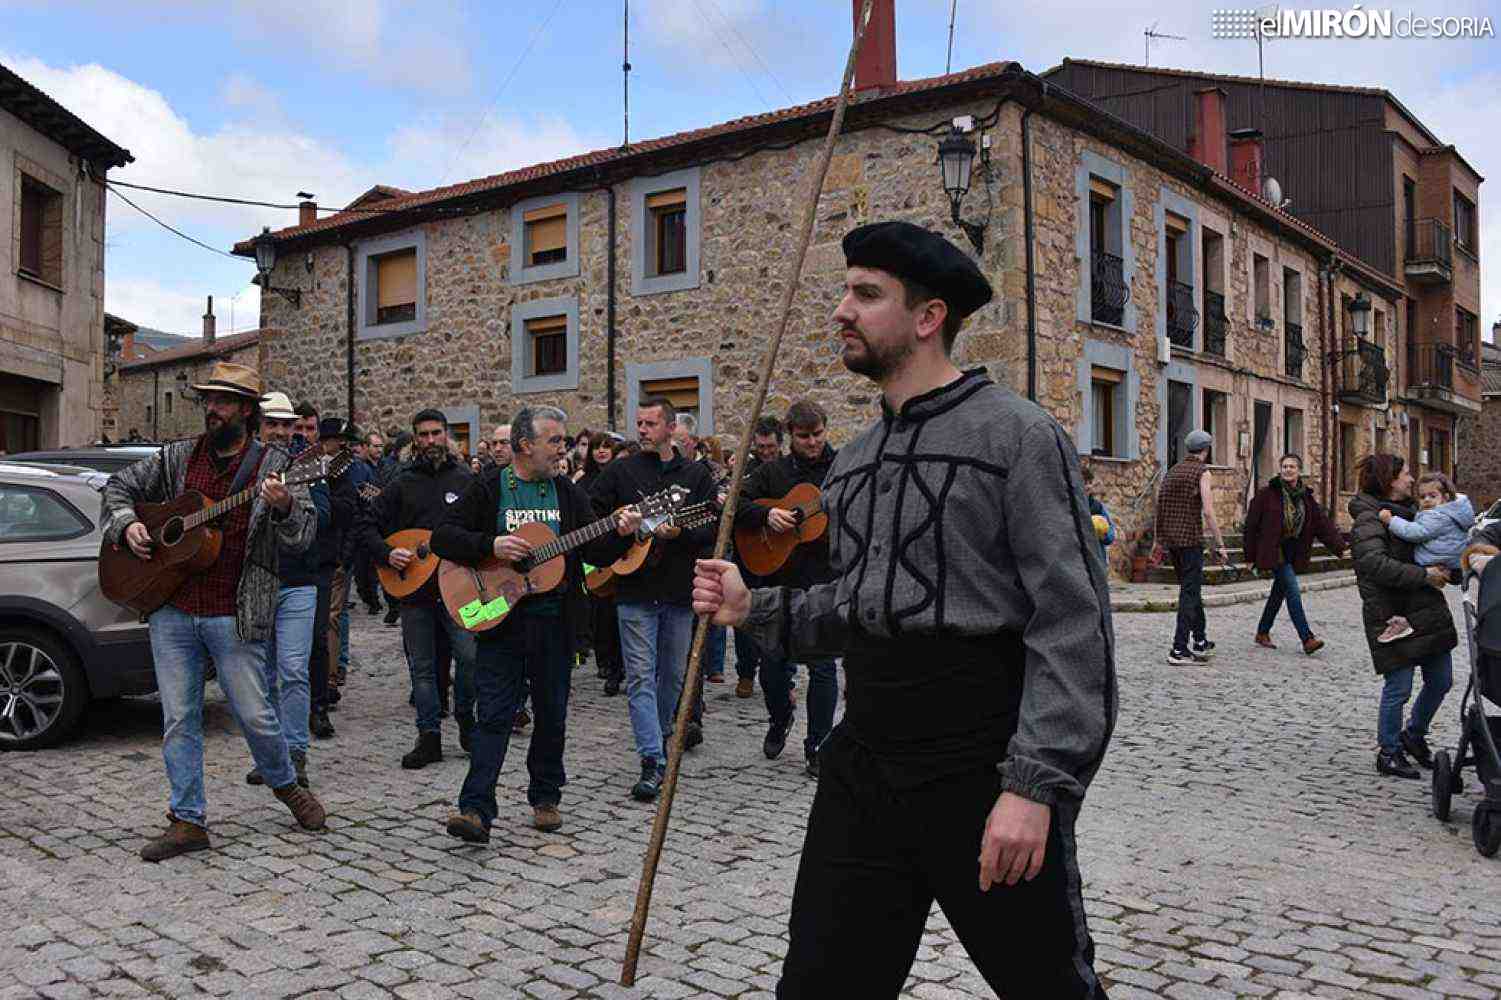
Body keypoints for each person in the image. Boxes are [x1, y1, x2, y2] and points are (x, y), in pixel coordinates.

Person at [692, 221, 1114, 998]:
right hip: (864, 763)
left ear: (928, 317)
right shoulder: (852, 463)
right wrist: (753, 607)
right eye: (844, 290)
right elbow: (849, 608)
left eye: (865, 293)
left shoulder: (1018, 437)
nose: (841, 310)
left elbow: (1072, 621)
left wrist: (1033, 786)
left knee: (1046, 985)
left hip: (980, 764)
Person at [101, 362, 328, 861]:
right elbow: (116, 488)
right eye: (208, 399)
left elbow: (305, 535)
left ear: (246, 411)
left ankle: (288, 785)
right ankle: (188, 820)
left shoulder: (276, 466)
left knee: (255, 714)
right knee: (179, 717)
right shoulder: (178, 458)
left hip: (234, 612)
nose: (211, 408)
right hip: (173, 609)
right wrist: (126, 526)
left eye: (222, 401)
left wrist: (287, 506)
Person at [432, 407, 640, 841]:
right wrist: (490, 544)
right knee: (492, 715)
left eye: (563, 441)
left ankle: (545, 795)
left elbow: (596, 552)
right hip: (501, 620)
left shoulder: (566, 492)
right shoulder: (489, 487)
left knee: (552, 715)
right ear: (525, 446)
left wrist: (622, 531)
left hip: (554, 625)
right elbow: (442, 537)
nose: (562, 449)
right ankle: (475, 809)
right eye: (555, 441)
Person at [589, 397, 719, 801]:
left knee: (674, 676)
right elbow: (591, 515)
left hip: (680, 590)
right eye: (639, 423)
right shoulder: (621, 471)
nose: (642, 430)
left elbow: (711, 528)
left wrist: (676, 533)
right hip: (634, 589)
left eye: (649, 424)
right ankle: (652, 759)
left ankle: (661, 735)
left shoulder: (695, 474)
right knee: (641, 677)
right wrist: (620, 527)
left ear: (669, 428)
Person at [357, 408, 478, 768]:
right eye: (422, 435)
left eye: (436, 433)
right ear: (414, 440)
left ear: (447, 436)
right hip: (415, 593)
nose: (430, 441)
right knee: (422, 668)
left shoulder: (467, 480)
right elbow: (365, 525)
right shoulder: (401, 483)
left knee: (471, 658)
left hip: (460, 589)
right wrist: (386, 552)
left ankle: (467, 722)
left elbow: (482, 529)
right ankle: (429, 737)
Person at [734, 399, 839, 779]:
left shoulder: (842, 468)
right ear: (789, 435)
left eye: (818, 435)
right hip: (778, 580)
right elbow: (734, 505)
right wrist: (766, 515)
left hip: (825, 580)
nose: (812, 442)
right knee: (773, 670)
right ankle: (780, 719)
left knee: (823, 668)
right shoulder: (772, 473)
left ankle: (819, 746)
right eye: (803, 436)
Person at [1348, 453, 1457, 779]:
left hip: (1425, 610)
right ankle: (1389, 751)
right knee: (1399, 687)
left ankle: (1414, 734)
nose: (1411, 479)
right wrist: (1423, 575)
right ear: (1388, 480)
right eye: (1405, 474)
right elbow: (1374, 564)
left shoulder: (1416, 513)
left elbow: (1435, 550)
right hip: (1392, 613)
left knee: (1441, 680)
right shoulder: (1368, 520)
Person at [247, 391, 327, 787]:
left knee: (293, 671)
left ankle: (296, 755)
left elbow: (325, 517)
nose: (279, 431)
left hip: (298, 582)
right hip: (255, 582)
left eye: (285, 424)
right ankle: (270, 757)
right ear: (258, 425)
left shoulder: (307, 465)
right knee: (262, 676)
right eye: (271, 424)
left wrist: (288, 505)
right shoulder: (243, 466)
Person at [1244, 453, 1347, 653]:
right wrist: (1249, 556)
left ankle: (1262, 631)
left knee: (1279, 592)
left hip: (1294, 551)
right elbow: (1251, 526)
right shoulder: (1267, 494)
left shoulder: (1306, 498)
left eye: (1292, 467)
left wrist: (1340, 547)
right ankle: (1307, 638)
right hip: (1274, 551)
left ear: (1299, 471)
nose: (1288, 470)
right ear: (1280, 470)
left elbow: (1322, 525)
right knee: (1292, 589)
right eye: (1284, 466)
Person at [1153, 430, 1229, 665]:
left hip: (1172, 542)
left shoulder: (1172, 471)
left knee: (1192, 591)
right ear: (1206, 450)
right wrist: (1220, 544)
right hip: (1190, 541)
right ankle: (1178, 648)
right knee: (1189, 594)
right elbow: (1208, 511)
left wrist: (1158, 541)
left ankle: (1200, 640)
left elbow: (1161, 506)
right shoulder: (1202, 472)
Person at [1377, 472, 1473, 642]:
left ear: (1445, 497)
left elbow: (1416, 532)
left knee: (1408, 582)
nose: (1427, 500)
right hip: (1450, 561)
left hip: (1435, 560)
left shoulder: (1437, 516)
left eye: (1432, 496)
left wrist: (1391, 520)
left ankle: (1403, 621)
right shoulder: (1453, 512)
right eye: (1422, 497)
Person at [732, 416, 786, 699]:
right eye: (761, 447)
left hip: (782, 557)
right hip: (750, 551)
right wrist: (765, 515)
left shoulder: (789, 472)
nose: (765, 452)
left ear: (781, 443)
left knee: (780, 613)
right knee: (746, 614)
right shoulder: (746, 472)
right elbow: (736, 506)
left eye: (771, 447)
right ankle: (746, 672)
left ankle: (779, 672)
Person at [317, 418, 362, 710]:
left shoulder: (347, 472)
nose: (346, 447)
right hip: (314, 553)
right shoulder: (315, 468)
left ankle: (330, 679)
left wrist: (345, 557)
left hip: (335, 554)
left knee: (332, 617)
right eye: (341, 441)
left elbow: (350, 515)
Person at [1080, 464, 1116, 569]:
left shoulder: (1097, 507)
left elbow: (1111, 534)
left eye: (1089, 483)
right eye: (1084, 482)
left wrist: (1103, 534)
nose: (1088, 486)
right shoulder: (1069, 506)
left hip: (1097, 561)